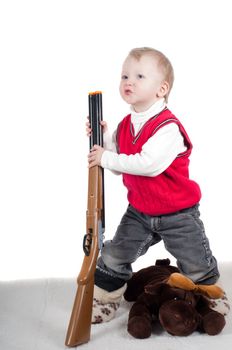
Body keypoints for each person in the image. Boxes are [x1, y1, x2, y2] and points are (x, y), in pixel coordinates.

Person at [87, 47, 228, 324]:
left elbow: (147, 164)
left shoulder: (167, 127)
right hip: (139, 212)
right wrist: (103, 140)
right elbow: (116, 166)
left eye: (140, 76)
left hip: (178, 213)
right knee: (115, 253)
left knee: (195, 261)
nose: (129, 81)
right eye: (125, 75)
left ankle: (211, 294)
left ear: (161, 88)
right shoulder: (125, 125)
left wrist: (107, 156)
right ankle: (105, 299)